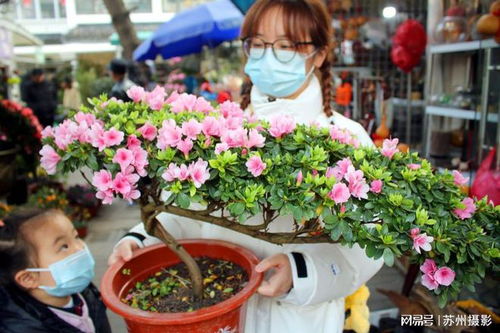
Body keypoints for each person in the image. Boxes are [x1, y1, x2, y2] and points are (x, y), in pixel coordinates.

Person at [108, 1, 383, 332]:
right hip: (214, 309)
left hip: (295, 319)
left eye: (286, 45)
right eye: (258, 43)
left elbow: (369, 244)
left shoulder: (346, 140)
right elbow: (183, 212)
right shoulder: (217, 132)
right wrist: (142, 240)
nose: (269, 56)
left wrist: (301, 272)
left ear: (320, 55)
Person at [0, 209, 111, 333]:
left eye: (76, 237)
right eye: (64, 246)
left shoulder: (85, 292)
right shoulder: (24, 327)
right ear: (29, 278)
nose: (80, 248)